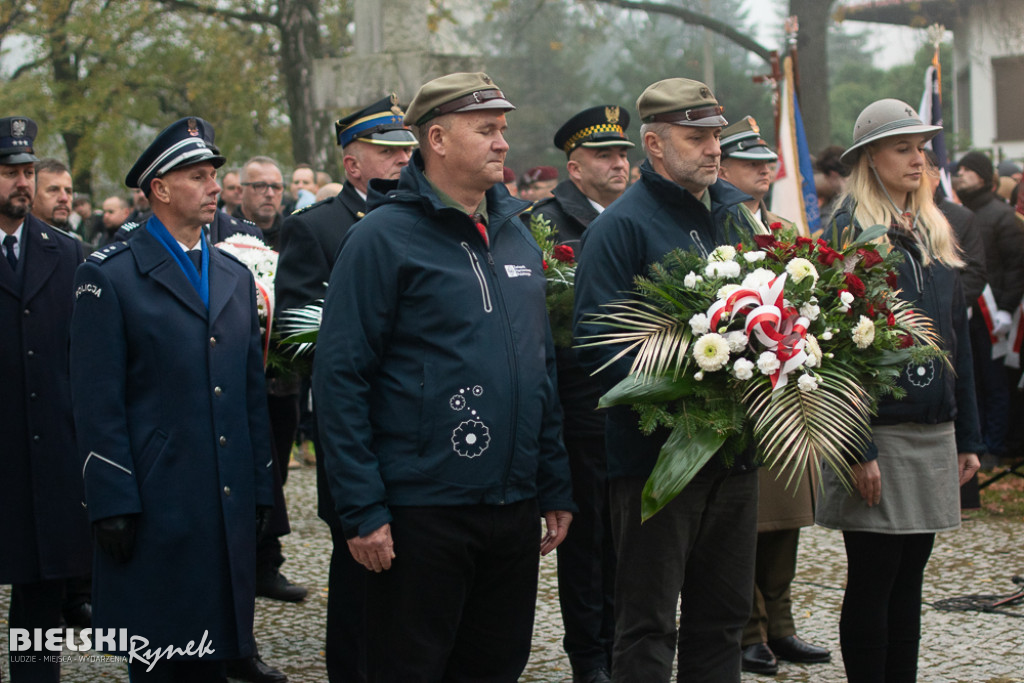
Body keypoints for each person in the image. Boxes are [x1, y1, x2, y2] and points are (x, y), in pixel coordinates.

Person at [313, 71, 574, 682]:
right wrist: (363, 509)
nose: (502, 143)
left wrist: (554, 481)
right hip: (421, 508)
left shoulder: (515, 233)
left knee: (493, 667)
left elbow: (539, 367)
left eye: (503, 130)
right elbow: (341, 379)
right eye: (485, 130)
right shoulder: (381, 238)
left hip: (511, 506)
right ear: (436, 138)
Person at [69, 116, 276, 682]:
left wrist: (262, 487)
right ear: (158, 188)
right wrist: (111, 501)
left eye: (215, 174)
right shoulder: (110, 276)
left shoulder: (233, 276)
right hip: (157, 499)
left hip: (224, 494)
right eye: (197, 176)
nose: (215, 187)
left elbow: (248, 391)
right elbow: (95, 399)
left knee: (216, 652)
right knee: (163, 658)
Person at [573, 77, 764, 683]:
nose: (713, 148)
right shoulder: (621, 228)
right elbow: (600, 349)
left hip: (734, 455)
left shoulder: (735, 216)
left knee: (724, 619)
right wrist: (697, 376)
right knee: (649, 624)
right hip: (657, 461)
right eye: (696, 136)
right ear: (654, 145)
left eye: (715, 135)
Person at [815, 99, 982, 683]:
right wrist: (856, 447)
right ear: (869, 159)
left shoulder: (934, 228)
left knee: (911, 577)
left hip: (933, 431)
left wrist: (968, 435)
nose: (920, 159)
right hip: (877, 434)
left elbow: (957, 346)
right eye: (903, 148)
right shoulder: (846, 232)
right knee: (874, 576)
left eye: (922, 147)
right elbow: (832, 356)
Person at [276, 92, 417, 683]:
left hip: (415, 435)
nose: (401, 163)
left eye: (406, 152)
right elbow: (292, 334)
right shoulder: (318, 228)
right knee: (358, 583)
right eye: (386, 152)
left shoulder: (420, 221)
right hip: (355, 426)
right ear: (351, 163)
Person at [716, 116, 831, 675]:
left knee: (786, 515)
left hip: (789, 392)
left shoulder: (786, 233)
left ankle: (780, 625)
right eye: (749, 161)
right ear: (723, 166)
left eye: (767, 160)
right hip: (740, 393)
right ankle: (748, 630)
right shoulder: (719, 230)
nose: (766, 168)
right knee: (751, 517)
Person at [528, 103, 634, 683]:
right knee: (589, 542)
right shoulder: (546, 226)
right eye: (604, 155)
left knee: (634, 541)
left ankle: (626, 644)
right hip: (582, 408)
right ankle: (589, 656)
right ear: (574, 168)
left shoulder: (641, 216)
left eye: (623, 154)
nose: (619, 164)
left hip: (641, 403)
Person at [1, 116, 91, 683]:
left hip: (49, 453)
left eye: (28, 171)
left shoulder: (68, 252)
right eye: (10, 172)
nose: (23, 183)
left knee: (41, 587)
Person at [952, 150, 1024, 464]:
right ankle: (975, 441)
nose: (959, 174)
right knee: (972, 380)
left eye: (968, 169)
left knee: (994, 382)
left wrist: (1006, 308)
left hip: (993, 313)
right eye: (959, 169)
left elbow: (1015, 266)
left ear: (983, 176)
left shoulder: (1001, 216)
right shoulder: (956, 213)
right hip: (967, 308)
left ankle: (994, 445)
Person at [31, 158, 74, 230]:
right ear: (31, 196)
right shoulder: (15, 239)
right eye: (53, 190)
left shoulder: (75, 240)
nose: (64, 198)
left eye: (68, 191)